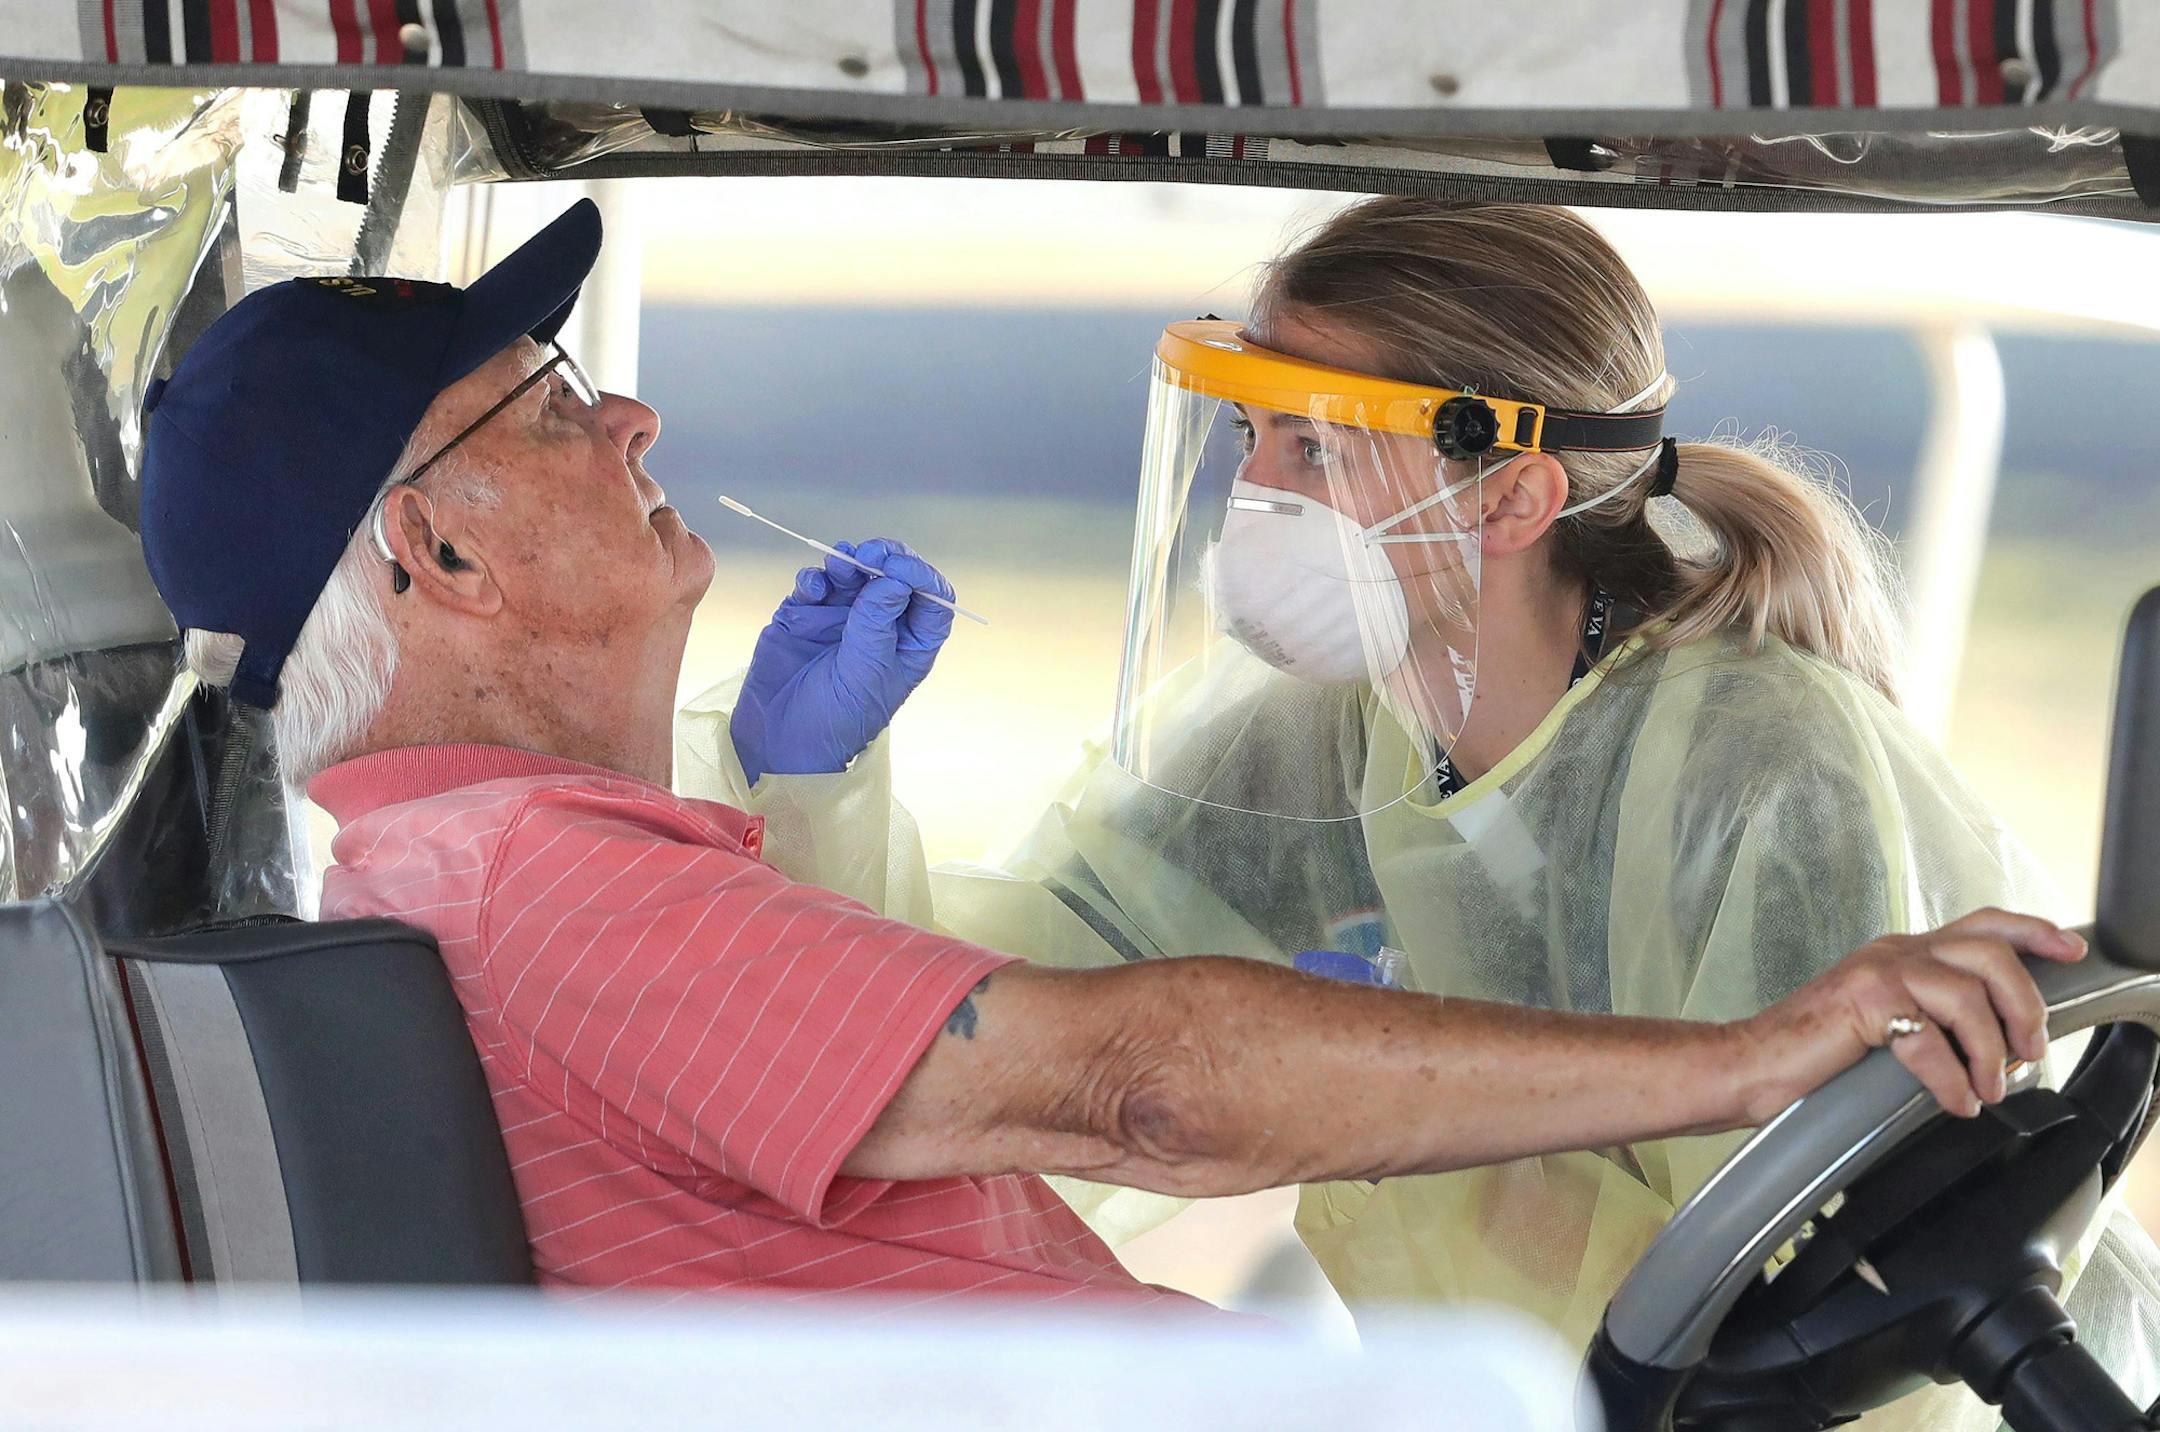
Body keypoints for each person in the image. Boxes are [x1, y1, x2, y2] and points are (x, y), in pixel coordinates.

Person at [136, 201, 2076, 1312]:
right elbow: (1127, 1069)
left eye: (1311, 439)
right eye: (556, 402)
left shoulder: (537, 863)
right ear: (442, 553)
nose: (636, 409)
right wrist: (1741, 1056)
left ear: (1516, 495)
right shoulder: (546, 883)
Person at [676, 197, 2159, 1413]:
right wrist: (815, 792)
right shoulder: (1318, 730)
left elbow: (1857, 1311)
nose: (1253, 493)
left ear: (1510, 499)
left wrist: (1408, 1112)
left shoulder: (1765, 769)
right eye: (1245, 433)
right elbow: (998, 1047)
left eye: (1312, 444)